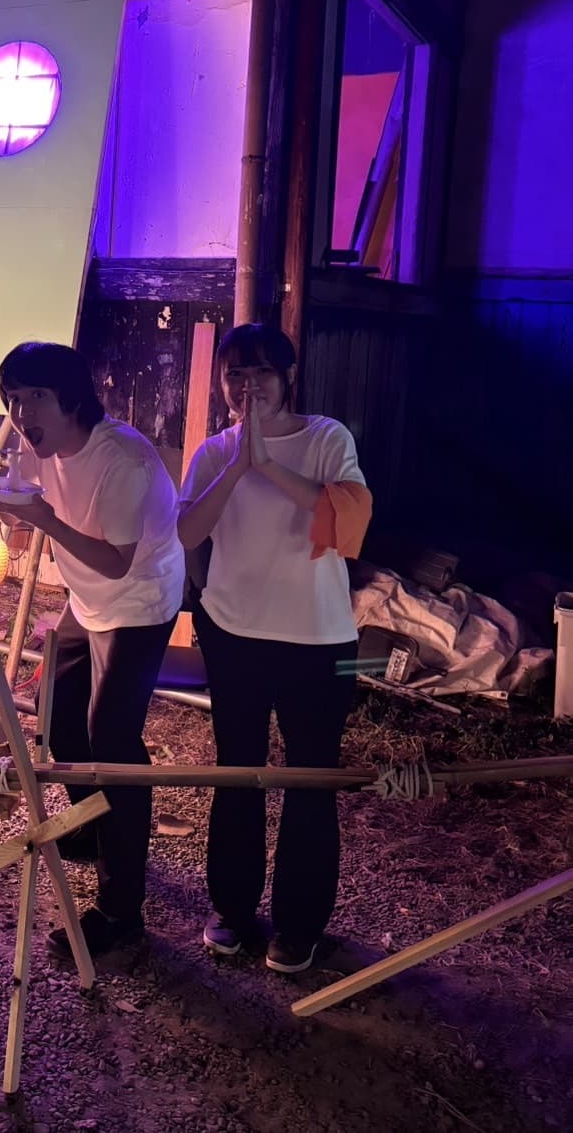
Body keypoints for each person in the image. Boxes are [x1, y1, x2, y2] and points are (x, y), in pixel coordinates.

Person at [0, 341, 184, 961]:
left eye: (36, 396)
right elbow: (20, 508)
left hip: (139, 602)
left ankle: (121, 910)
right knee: (58, 719)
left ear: (73, 398)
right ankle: (91, 828)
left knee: (113, 743)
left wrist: (46, 519)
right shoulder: (39, 443)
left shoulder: (123, 460)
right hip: (87, 601)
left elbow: (114, 562)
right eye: (13, 397)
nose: (22, 411)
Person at [177, 323, 372, 974]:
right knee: (239, 772)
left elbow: (347, 523)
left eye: (261, 371)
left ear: (288, 377)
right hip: (234, 634)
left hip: (318, 639)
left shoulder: (326, 438)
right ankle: (232, 908)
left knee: (310, 779)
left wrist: (266, 463)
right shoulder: (213, 452)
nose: (247, 385)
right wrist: (239, 463)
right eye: (234, 373)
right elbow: (188, 533)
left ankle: (299, 923)